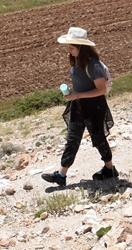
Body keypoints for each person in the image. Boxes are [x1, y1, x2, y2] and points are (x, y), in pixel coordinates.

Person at [41, 27, 117, 187]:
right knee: (72, 139)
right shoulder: (77, 61)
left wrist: (77, 95)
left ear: (81, 48)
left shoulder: (93, 65)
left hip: (94, 107)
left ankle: (109, 168)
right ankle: (61, 175)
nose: (67, 51)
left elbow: (101, 90)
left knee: (98, 138)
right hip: (78, 105)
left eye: (71, 47)